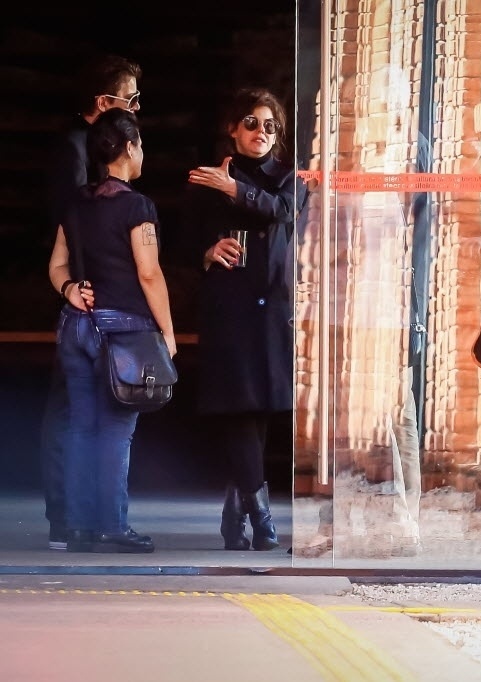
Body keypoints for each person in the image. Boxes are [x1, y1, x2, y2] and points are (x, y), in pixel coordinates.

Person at [47, 108, 174, 553]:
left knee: (81, 429)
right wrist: (168, 334)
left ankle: (79, 528)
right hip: (123, 335)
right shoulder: (137, 206)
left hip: (76, 329)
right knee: (117, 432)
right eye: (140, 143)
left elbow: (57, 263)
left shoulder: (77, 203)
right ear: (129, 147)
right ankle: (113, 526)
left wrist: (69, 290)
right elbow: (149, 273)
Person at [186, 87, 303, 551]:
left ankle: (237, 512)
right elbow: (180, 240)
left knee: (259, 409)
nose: (261, 133)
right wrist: (207, 250)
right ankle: (261, 516)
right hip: (228, 307)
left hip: (273, 304)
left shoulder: (289, 177)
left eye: (270, 126)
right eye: (251, 123)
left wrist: (234, 188)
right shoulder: (205, 179)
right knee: (238, 406)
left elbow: (281, 210)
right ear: (233, 128)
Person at [41, 54, 142, 550]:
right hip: (85, 302)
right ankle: (70, 518)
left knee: (85, 416)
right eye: (132, 99)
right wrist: (75, 285)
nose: (139, 110)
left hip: (87, 299)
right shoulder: (75, 152)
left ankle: (84, 521)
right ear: (104, 103)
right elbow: (71, 227)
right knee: (78, 415)